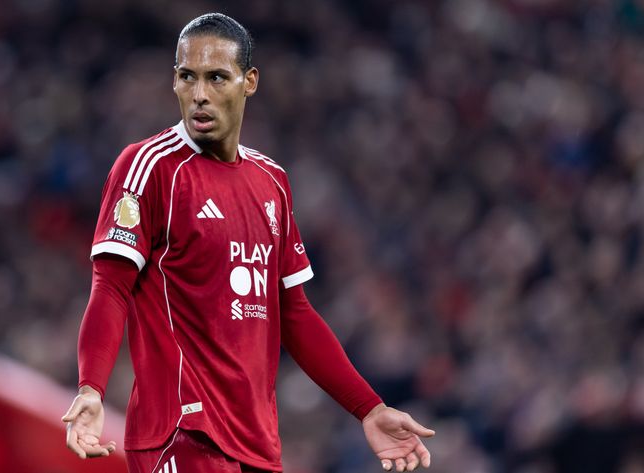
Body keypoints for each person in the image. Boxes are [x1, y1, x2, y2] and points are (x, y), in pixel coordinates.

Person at [62, 13, 435, 473]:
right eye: (187, 77)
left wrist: (369, 408)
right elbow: (111, 287)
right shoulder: (149, 167)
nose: (199, 94)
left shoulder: (272, 181)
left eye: (216, 77)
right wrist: (91, 389)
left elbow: (293, 313)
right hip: (181, 433)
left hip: (257, 443)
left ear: (249, 81)